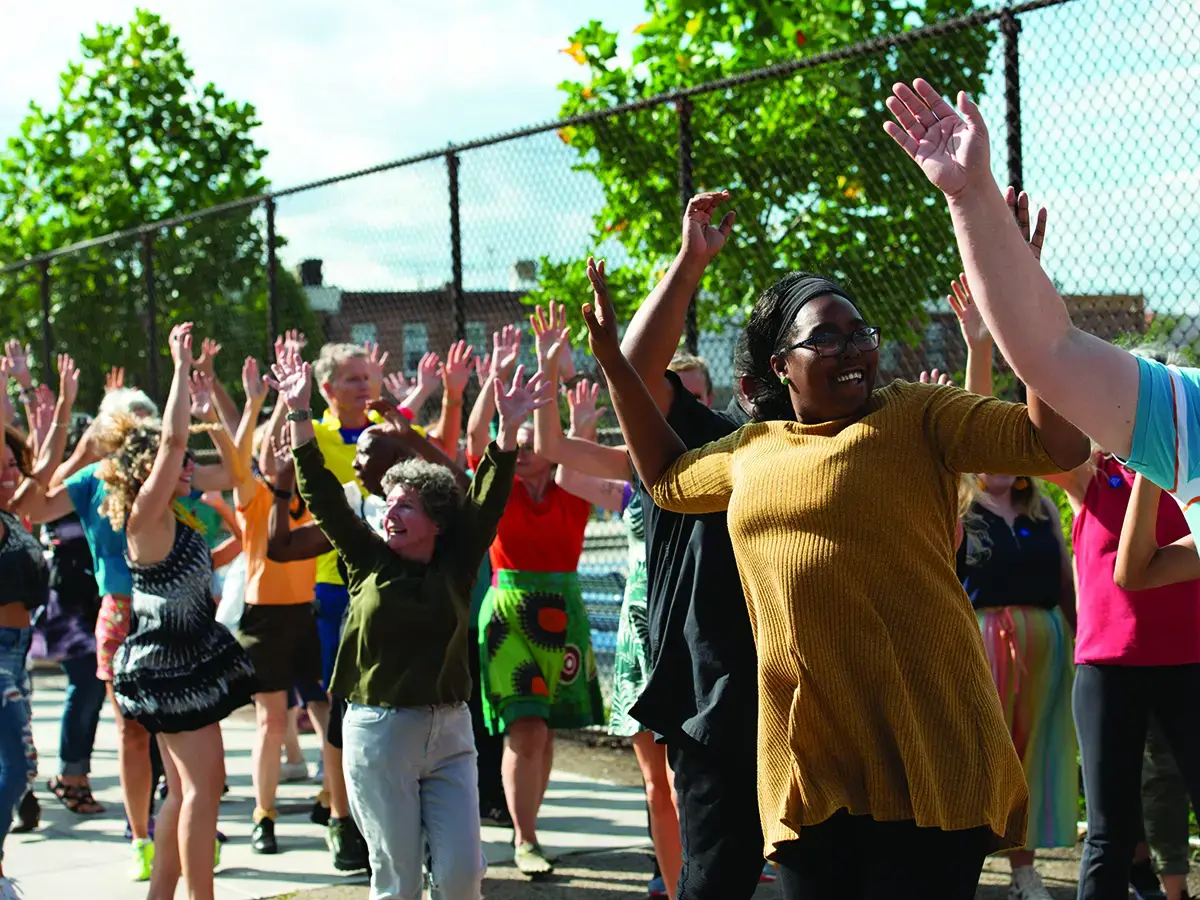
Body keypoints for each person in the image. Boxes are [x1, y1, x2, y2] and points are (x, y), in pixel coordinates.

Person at [580, 211, 1089, 900]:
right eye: (825, 337)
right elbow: (667, 478)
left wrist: (1027, 302)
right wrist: (612, 363)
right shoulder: (750, 451)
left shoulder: (917, 414)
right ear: (779, 365)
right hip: (811, 765)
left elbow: (1055, 443)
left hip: (930, 750)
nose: (852, 349)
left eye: (860, 333)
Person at [882, 76, 1200, 900]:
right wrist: (976, 206)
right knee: (1114, 829)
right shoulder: (1132, 456)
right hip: (1109, 662)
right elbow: (1039, 375)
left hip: (1177, 659)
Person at [271, 342, 546, 900]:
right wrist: (298, 412)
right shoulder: (365, 556)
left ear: (437, 523)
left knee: (463, 875)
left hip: (450, 732)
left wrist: (508, 431)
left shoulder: (457, 561)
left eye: (405, 506)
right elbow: (322, 496)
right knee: (397, 882)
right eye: (388, 503)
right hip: (379, 732)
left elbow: (487, 500)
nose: (390, 513)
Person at [612, 192, 770, 898]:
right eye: (819, 344)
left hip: (819, 706)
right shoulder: (707, 441)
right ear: (758, 383)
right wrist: (688, 265)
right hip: (721, 709)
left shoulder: (849, 449)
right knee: (716, 882)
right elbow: (635, 373)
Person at [529, 302, 684, 896]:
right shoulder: (633, 471)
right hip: (644, 632)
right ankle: (674, 884)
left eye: (695, 395)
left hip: (696, 627)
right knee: (657, 784)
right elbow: (553, 450)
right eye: (669, 394)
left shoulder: (725, 455)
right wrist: (549, 369)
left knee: (696, 784)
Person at [97, 323, 255, 900]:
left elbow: (236, 474)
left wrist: (220, 413)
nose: (190, 466)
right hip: (169, 666)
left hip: (181, 659)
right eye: (182, 461)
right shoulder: (147, 515)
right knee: (203, 790)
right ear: (150, 470)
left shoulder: (177, 515)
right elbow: (168, 443)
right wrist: (180, 369)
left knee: (188, 790)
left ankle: (162, 893)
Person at [468, 325, 618, 876]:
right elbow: (475, 439)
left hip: (564, 611)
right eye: (521, 440)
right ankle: (524, 836)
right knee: (526, 728)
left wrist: (558, 375)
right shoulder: (498, 488)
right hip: (511, 615)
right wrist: (500, 376)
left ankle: (529, 826)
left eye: (537, 440)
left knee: (546, 730)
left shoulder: (573, 488)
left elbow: (574, 438)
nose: (528, 448)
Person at [220, 354, 324, 856]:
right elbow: (247, 457)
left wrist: (292, 405)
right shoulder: (255, 496)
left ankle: (335, 802)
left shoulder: (315, 497)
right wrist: (269, 401)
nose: (282, 451)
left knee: (325, 711)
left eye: (290, 445)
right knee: (272, 720)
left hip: (308, 613)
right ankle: (264, 813)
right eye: (273, 445)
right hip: (264, 619)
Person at [0, 359, 52, 900]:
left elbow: (50, 463)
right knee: (17, 767)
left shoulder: (14, 513)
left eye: (13, 465)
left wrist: (53, 408)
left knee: (14, 767)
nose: (9, 473)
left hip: (17, 651)